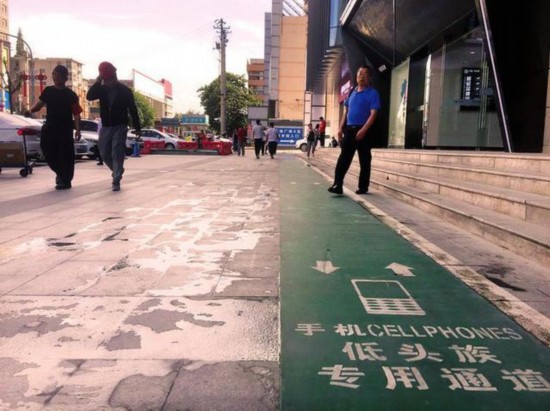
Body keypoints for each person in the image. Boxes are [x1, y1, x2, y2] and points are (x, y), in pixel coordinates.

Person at [25, 65, 82, 190]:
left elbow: (77, 113)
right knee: (47, 149)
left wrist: (78, 130)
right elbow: (39, 106)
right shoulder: (48, 91)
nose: (55, 77)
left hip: (65, 129)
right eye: (54, 75)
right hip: (50, 127)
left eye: (58, 75)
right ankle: (59, 173)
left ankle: (65, 179)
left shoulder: (71, 95)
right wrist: (30, 111)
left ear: (64, 77)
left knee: (65, 154)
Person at [86, 62, 141, 191]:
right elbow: (89, 96)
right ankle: (118, 169)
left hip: (120, 125)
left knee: (117, 151)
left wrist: (137, 127)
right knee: (104, 152)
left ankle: (116, 179)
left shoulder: (125, 91)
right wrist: (98, 81)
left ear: (114, 77)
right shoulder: (102, 89)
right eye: (105, 79)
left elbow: (133, 109)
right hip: (106, 125)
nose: (108, 82)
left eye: (109, 79)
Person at [328, 65, 381, 195]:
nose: (361, 76)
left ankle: (363, 187)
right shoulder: (352, 92)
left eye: (364, 74)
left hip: (364, 130)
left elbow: (373, 114)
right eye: (359, 73)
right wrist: (340, 128)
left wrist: (363, 130)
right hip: (349, 130)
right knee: (343, 159)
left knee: (364, 160)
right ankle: (337, 185)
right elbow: (346, 111)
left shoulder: (373, 93)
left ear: (369, 77)